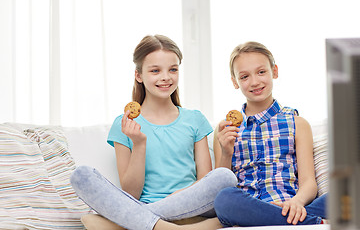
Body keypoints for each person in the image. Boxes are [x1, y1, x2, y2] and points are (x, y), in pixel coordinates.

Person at [70, 34, 237, 230]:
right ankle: (165, 227)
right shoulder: (124, 124)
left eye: (173, 69)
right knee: (80, 175)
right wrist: (139, 144)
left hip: (191, 206)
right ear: (139, 75)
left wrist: (179, 196)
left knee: (225, 177)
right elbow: (130, 193)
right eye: (155, 70)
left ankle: (130, 221)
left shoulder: (195, 119)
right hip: (143, 201)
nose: (166, 77)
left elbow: (204, 181)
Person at [212, 41, 328, 227]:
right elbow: (220, 186)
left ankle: (285, 217)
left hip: (291, 204)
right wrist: (226, 152)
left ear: (274, 71)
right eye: (244, 76)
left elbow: (309, 183)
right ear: (235, 82)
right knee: (224, 199)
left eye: (261, 72)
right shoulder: (225, 128)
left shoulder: (297, 123)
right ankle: (315, 223)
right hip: (249, 206)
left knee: (346, 192)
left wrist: (296, 203)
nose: (255, 82)